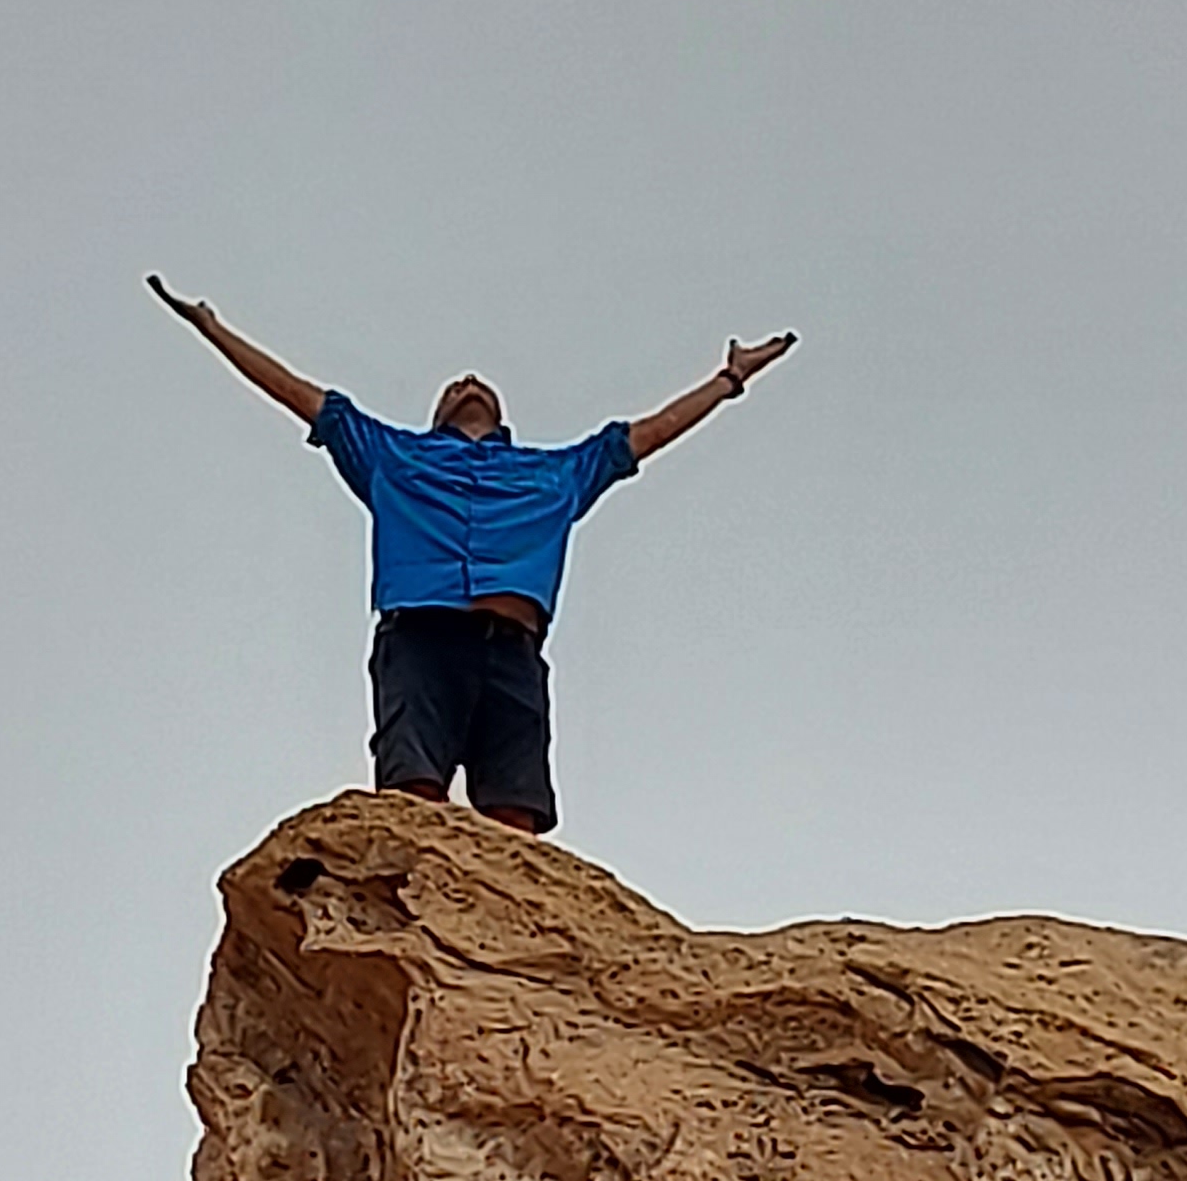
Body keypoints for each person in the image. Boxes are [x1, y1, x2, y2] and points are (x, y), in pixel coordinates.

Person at [149, 281, 795, 832]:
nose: (468, 383)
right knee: (412, 799)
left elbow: (649, 433)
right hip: (421, 635)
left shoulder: (555, 472)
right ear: (436, 416)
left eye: (478, 383)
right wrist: (213, 328)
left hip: (511, 648)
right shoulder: (392, 455)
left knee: (514, 819)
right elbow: (299, 394)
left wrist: (731, 378)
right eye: (454, 387)